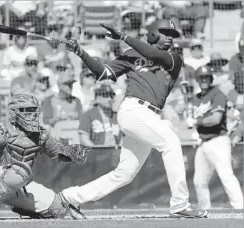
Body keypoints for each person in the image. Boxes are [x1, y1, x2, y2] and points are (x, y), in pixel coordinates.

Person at [62, 19, 207, 218]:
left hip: (150, 117)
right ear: (154, 33)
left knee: (125, 174)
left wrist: (122, 36)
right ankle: (180, 203)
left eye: (172, 35)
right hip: (133, 111)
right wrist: (81, 52)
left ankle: (70, 197)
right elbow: (103, 73)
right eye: (165, 33)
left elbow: (151, 54)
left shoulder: (173, 58)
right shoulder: (131, 55)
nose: (169, 38)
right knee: (171, 142)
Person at [0, 93, 89, 220]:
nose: (32, 115)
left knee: (57, 210)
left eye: (34, 110)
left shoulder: (40, 136)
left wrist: (71, 153)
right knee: (20, 171)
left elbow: (59, 151)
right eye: (27, 110)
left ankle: (25, 208)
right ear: (14, 112)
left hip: (18, 183)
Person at [187, 66, 243, 210]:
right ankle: (204, 210)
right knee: (199, 181)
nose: (204, 79)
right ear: (197, 80)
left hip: (218, 141)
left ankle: (240, 208)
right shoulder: (196, 98)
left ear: (211, 79)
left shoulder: (218, 94)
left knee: (226, 176)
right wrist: (190, 119)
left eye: (207, 77)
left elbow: (216, 119)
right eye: (201, 77)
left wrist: (195, 122)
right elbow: (193, 118)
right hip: (203, 143)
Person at [79, 83, 122, 147]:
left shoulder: (117, 116)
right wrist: (96, 151)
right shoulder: (88, 115)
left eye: (111, 95)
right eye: (105, 95)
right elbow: (83, 139)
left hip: (115, 154)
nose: (109, 99)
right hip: (96, 154)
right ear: (97, 97)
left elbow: (123, 139)